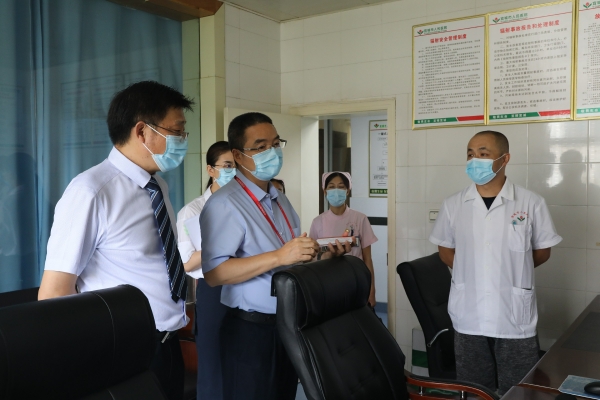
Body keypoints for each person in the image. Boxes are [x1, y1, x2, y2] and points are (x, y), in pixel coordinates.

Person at [38, 80, 194, 400]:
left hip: (167, 343)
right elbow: (54, 293)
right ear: (142, 131)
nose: (182, 140)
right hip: (122, 349)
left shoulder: (156, 187)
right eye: (177, 131)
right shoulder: (91, 191)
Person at [200, 112, 351, 400]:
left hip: (288, 324)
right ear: (238, 155)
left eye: (275, 143)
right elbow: (215, 274)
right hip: (251, 330)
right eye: (260, 146)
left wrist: (324, 255)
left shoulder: (280, 198)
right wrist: (279, 257)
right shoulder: (224, 204)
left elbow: (292, 258)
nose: (272, 152)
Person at [429, 130, 562, 395]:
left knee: (519, 389)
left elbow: (542, 251)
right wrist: (476, 271)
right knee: (474, 389)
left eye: (483, 153)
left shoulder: (531, 202)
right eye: (470, 154)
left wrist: (510, 270)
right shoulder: (454, 204)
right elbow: (445, 252)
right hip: (469, 313)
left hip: (513, 313)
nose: (474, 160)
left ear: (504, 159)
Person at [175, 141, 234, 400]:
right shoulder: (193, 210)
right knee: (213, 367)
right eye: (227, 166)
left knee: (243, 364)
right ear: (211, 170)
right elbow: (187, 263)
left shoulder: (246, 205)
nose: (233, 171)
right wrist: (218, 244)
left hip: (246, 285)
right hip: (213, 290)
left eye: (237, 166)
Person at [309, 171, 378, 307]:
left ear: (347, 191)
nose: (336, 191)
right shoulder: (317, 222)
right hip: (328, 282)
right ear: (325, 191)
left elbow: (367, 258)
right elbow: (312, 258)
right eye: (331, 187)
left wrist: (371, 289)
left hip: (356, 279)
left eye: (341, 187)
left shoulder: (360, 219)